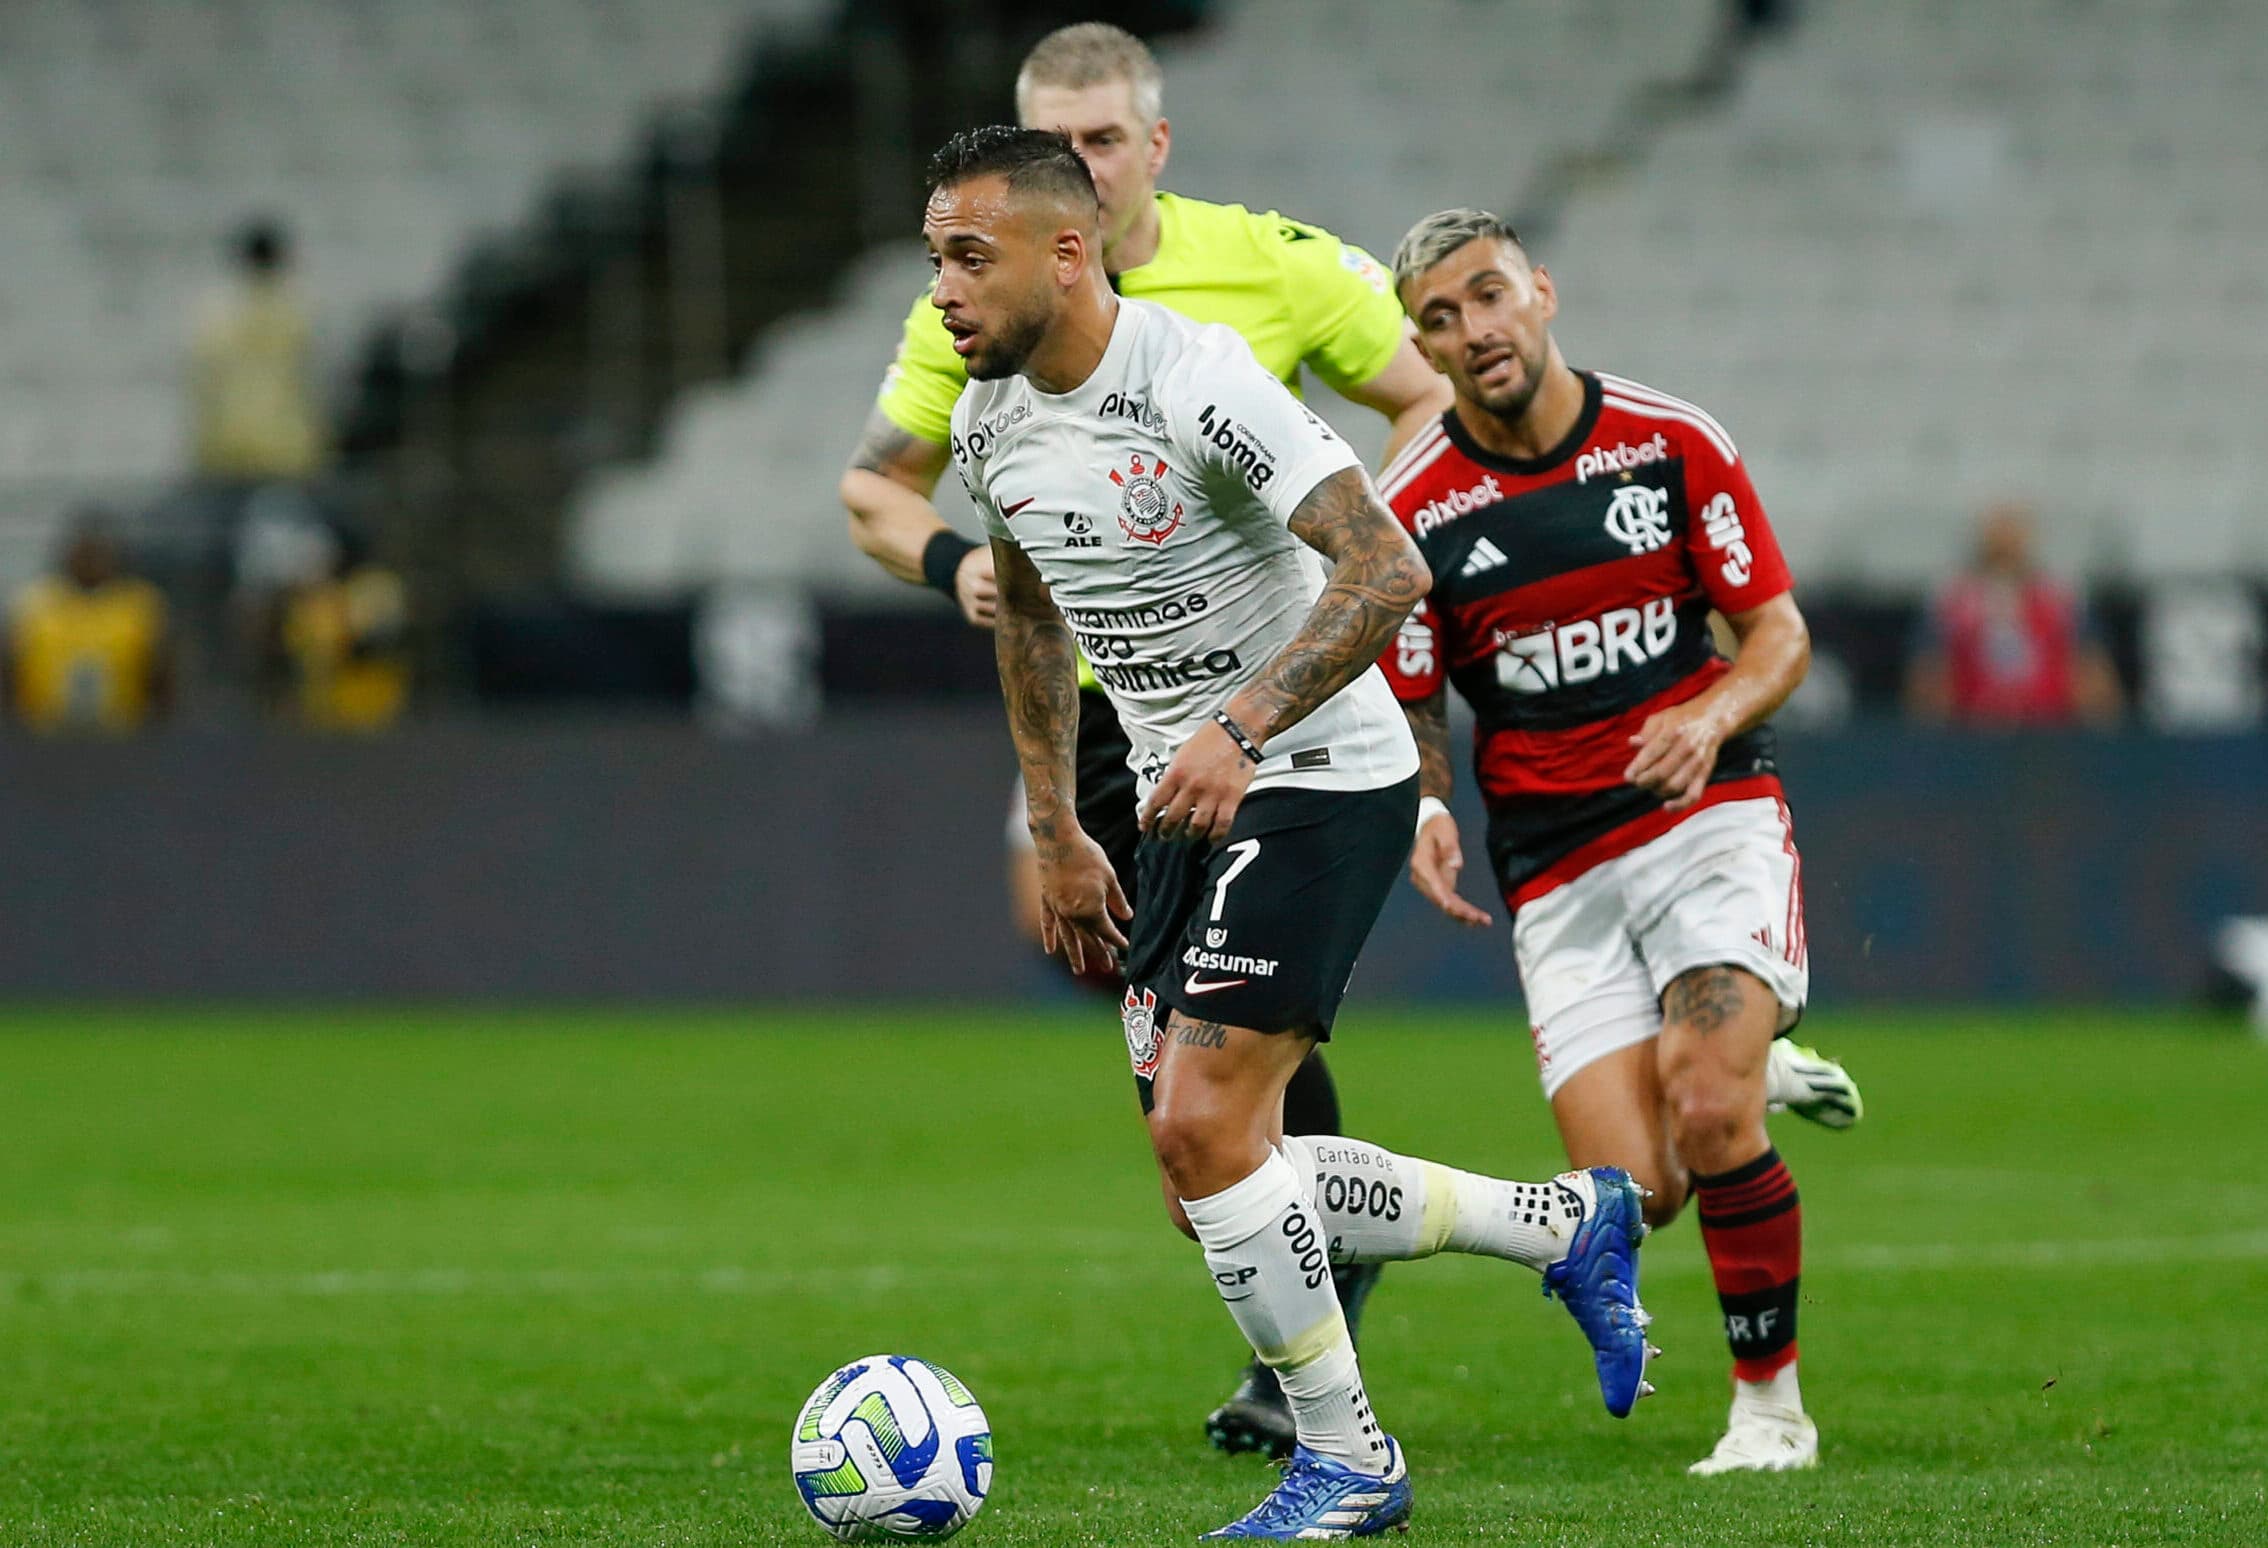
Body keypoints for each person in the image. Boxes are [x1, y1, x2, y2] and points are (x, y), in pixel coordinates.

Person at [930, 129, 1656, 1540]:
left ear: (1065, 253)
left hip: (1318, 769)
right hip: (1165, 799)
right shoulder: (990, 421)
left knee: (1208, 1131)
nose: (943, 294)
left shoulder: (1198, 381)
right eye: (934, 260)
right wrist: (1053, 823)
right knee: (1207, 1178)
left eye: (970, 256)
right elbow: (1027, 610)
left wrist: (1244, 725)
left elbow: (1388, 565)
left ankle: (1350, 1463)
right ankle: (1567, 1225)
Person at [839, 21, 1451, 1456]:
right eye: (1064, 141)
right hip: (1115, 729)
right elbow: (893, 501)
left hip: (1282, 717)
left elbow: (1412, 440)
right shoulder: (978, 341)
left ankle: (1329, 1417)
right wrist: (964, 578)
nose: (1090, 166)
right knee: (1190, 1144)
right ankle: (1516, 1232)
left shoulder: (1259, 287)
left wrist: (1338, 548)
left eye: (1108, 141)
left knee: (1211, 1114)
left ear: (1150, 150)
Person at [1372, 209, 1867, 1475]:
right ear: (1420, 344)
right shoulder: (1415, 507)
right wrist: (1431, 808)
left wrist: (1706, 715)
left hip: (1705, 816)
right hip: (1555, 867)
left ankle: (1772, 1411)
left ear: (1539, 292)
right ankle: (1756, 1060)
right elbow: (1417, 691)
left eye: (1487, 297)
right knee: (1636, 1196)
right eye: (1439, 317)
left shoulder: (1670, 442)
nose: (1472, 331)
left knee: (1708, 1112)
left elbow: (1779, 636)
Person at [1904, 500, 2122, 727]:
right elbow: (1928, 678)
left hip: (2050, 732)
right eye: (1998, 529)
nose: (2005, 541)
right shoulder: (1951, 599)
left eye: (2012, 529)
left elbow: (2095, 676)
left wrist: (2096, 733)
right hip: (1970, 732)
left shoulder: (2061, 597)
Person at [5, 512, 174, 734]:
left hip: (124, 735)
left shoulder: (140, 605)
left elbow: (162, 675)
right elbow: (9, 672)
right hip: (43, 737)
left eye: (98, 555)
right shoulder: (33, 604)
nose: (90, 563)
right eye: (84, 554)